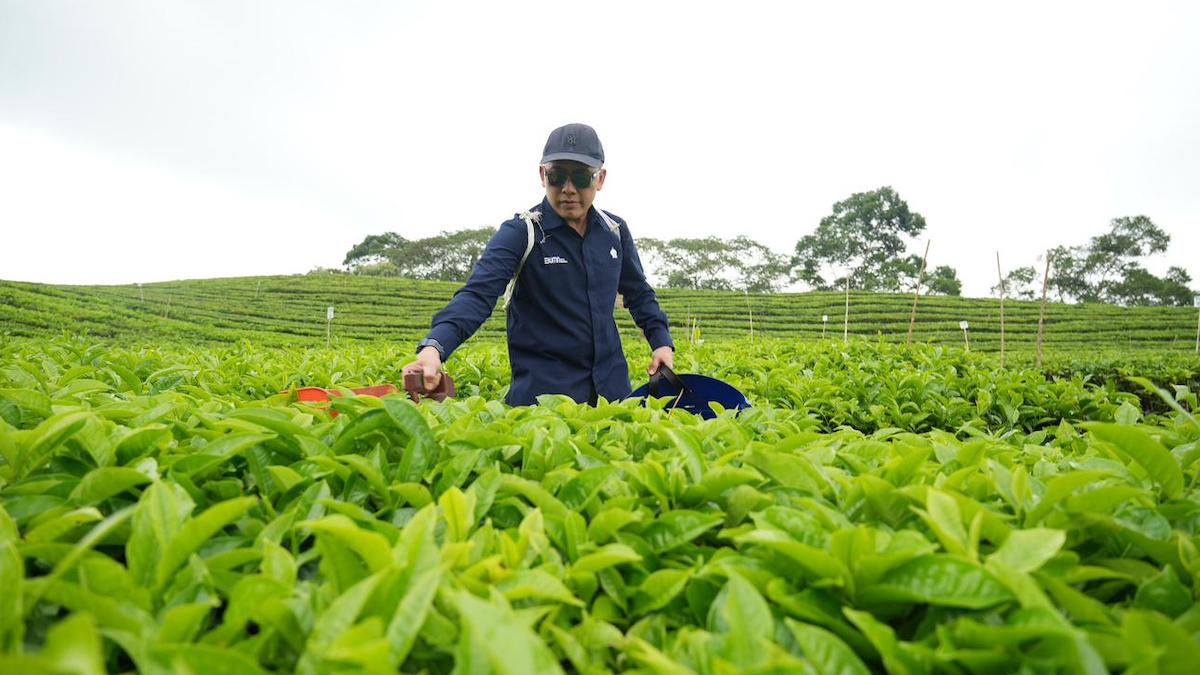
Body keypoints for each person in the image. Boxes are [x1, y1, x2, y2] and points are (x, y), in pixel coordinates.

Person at [403, 123, 674, 406]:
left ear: (600, 178)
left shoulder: (614, 230)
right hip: (542, 406)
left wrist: (661, 343)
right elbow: (477, 295)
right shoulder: (523, 232)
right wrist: (434, 348)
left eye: (581, 178)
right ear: (542, 175)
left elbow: (639, 294)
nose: (568, 189)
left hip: (612, 401)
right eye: (557, 176)